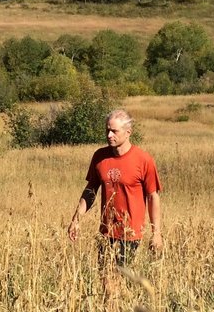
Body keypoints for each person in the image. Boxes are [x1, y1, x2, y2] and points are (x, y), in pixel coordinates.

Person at [68, 109, 163, 268]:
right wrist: (76, 220)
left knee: (116, 276)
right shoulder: (99, 156)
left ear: (128, 132)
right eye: (107, 130)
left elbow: (153, 197)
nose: (109, 135)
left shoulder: (143, 160)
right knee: (105, 277)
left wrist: (157, 233)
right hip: (106, 232)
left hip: (130, 233)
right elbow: (90, 190)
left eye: (114, 131)